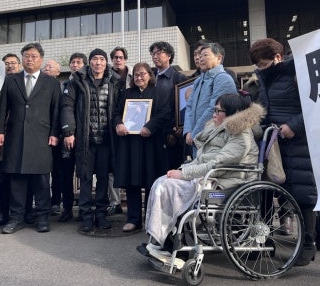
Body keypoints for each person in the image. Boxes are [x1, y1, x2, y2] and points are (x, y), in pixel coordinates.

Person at [142, 93, 264, 258]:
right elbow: (201, 159)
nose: (214, 114)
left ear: (232, 113)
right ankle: (162, 239)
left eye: (218, 111)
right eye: (214, 109)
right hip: (213, 177)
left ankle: (172, 245)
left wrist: (184, 174)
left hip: (227, 184)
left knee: (169, 186)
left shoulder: (241, 136)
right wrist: (181, 170)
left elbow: (218, 165)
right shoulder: (221, 129)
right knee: (162, 181)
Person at [249, 38, 317, 266]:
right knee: (266, 191)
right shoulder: (261, 78)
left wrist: (293, 126)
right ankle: (264, 241)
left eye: (264, 64)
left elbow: (315, 104)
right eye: (258, 65)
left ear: (278, 57)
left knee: (303, 193)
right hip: (272, 143)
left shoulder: (298, 73)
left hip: (299, 143)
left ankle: (307, 244)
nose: (261, 69)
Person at [0, 42, 60, 234]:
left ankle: (42, 217)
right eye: (26, 56)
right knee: (17, 179)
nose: (29, 59)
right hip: (15, 137)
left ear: (40, 59)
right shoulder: (11, 81)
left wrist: (55, 133)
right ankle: (16, 218)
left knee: (41, 181)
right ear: (22, 59)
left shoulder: (51, 83)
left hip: (41, 138)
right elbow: (2, 108)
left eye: (33, 56)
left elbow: (56, 111)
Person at [60, 48, 123, 232]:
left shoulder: (115, 82)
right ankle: (86, 215)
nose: (98, 63)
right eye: (95, 59)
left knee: (103, 178)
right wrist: (69, 131)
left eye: (101, 59)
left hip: (106, 140)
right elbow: (67, 107)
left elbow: (120, 108)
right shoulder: (77, 81)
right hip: (85, 140)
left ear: (106, 62)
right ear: (90, 62)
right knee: (86, 178)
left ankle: (101, 214)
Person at [112, 62, 169, 232]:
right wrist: (119, 124)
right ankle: (133, 219)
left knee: (152, 182)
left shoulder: (159, 93)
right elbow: (116, 114)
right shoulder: (126, 94)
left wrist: (149, 127)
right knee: (132, 181)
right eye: (136, 74)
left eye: (142, 74)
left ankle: (151, 219)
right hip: (131, 144)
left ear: (150, 76)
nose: (139, 77)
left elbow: (164, 113)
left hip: (151, 143)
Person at [184, 42, 237, 158]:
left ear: (219, 58)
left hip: (213, 137)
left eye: (205, 55)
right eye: (199, 55)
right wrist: (188, 130)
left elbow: (213, 109)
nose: (200, 58)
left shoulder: (223, 78)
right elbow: (189, 106)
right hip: (196, 137)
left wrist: (195, 132)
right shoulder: (198, 81)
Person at [0, 53, 22, 227]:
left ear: (19, 65)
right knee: (2, 177)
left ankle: (24, 211)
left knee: (23, 177)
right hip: (1, 137)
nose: (10, 66)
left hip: (22, 137)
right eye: (6, 63)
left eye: (13, 63)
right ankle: (3, 212)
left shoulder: (24, 82)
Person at [149, 41, 188, 173]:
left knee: (169, 174)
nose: (155, 56)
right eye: (153, 53)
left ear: (169, 55)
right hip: (150, 132)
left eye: (159, 53)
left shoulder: (178, 77)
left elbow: (184, 107)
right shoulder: (149, 77)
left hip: (169, 135)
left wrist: (177, 129)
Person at [58, 52, 87, 223]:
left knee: (84, 174)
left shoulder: (87, 83)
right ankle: (67, 208)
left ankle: (84, 210)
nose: (75, 65)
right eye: (73, 62)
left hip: (84, 137)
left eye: (79, 62)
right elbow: (63, 109)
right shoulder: (64, 84)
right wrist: (67, 132)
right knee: (65, 175)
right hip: (67, 137)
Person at [107, 46, 133, 216]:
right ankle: (114, 202)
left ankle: (132, 205)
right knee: (111, 165)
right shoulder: (106, 76)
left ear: (125, 59)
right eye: (115, 57)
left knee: (130, 164)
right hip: (112, 124)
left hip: (133, 126)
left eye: (121, 57)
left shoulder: (133, 74)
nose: (118, 59)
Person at [43, 59, 62, 216]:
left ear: (58, 72)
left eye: (50, 67)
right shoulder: (38, 84)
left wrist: (55, 133)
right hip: (38, 135)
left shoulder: (61, 87)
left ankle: (56, 202)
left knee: (56, 171)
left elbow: (58, 113)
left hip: (55, 135)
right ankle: (41, 202)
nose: (46, 68)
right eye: (46, 66)